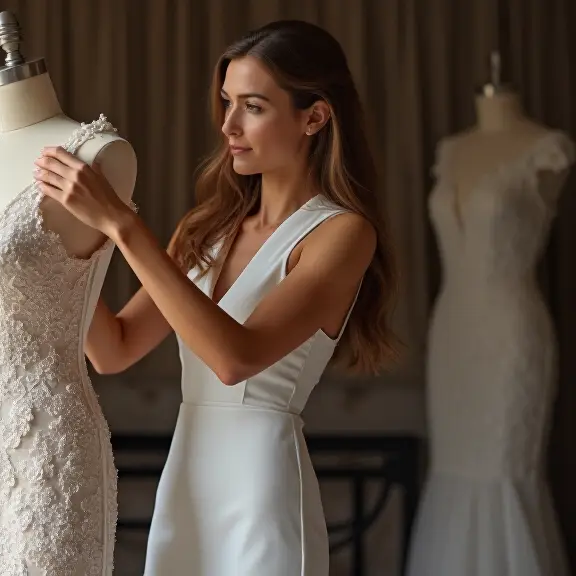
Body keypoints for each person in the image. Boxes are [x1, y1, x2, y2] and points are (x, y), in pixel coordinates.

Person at [33, 19, 400, 576]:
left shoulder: (342, 234)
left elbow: (235, 359)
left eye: (253, 106)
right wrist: (51, 253)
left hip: (262, 491)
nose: (228, 124)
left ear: (315, 117)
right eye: (227, 102)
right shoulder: (206, 228)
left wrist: (120, 224)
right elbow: (115, 349)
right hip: (187, 477)